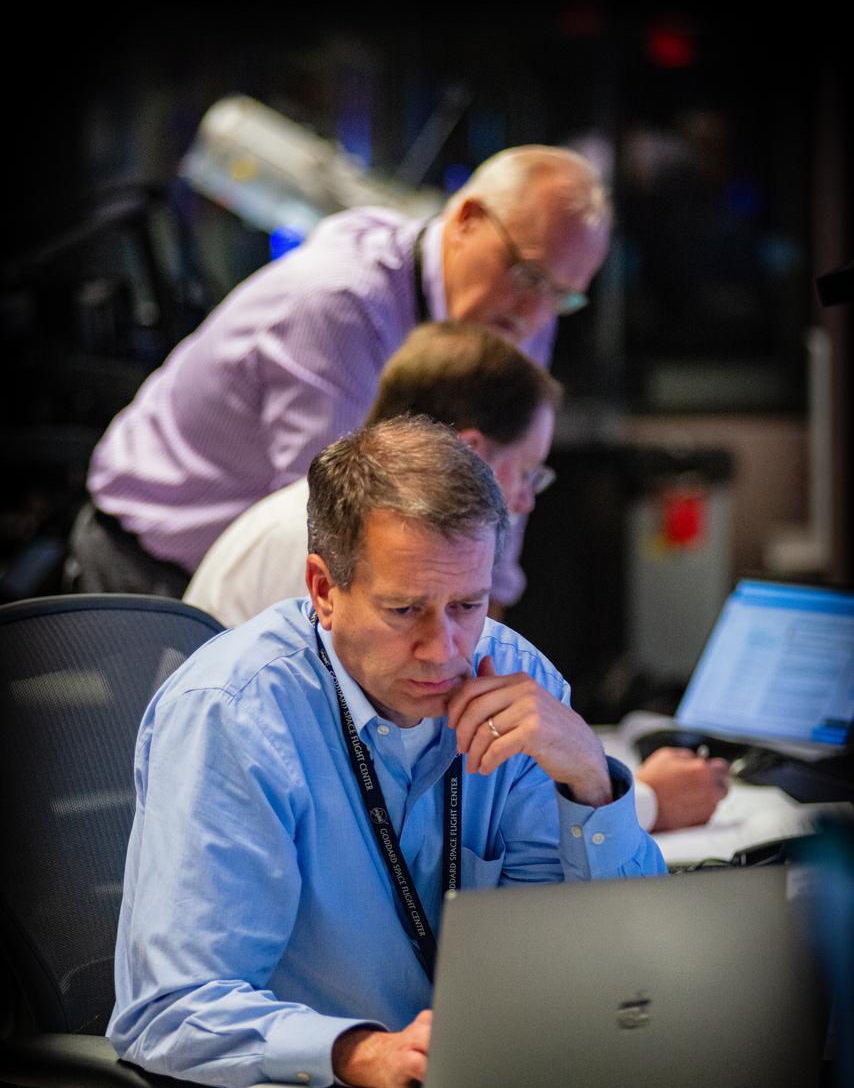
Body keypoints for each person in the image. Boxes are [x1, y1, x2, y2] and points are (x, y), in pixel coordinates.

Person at [108, 417, 666, 1088]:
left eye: (468, 603)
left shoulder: (520, 680)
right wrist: (364, 1054)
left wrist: (587, 778)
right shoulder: (232, 712)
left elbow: (621, 963)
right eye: (405, 610)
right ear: (322, 590)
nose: (444, 647)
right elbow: (172, 1011)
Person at [183, 321, 729, 835]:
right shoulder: (321, 543)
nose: (522, 498)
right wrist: (643, 801)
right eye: (527, 471)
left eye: (467, 605)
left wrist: (583, 765)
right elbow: (367, 822)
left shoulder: (375, 545)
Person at [67, 144, 611, 608]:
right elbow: (335, 530)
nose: (536, 313)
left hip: (297, 576)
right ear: (466, 218)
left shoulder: (515, 313)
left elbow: (504, 489)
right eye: (526, 275)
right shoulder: (337, 303)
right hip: (150, 566)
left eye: (563, 296)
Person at [184, 321, 562, 626]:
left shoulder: (340, 521)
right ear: (472, 452)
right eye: (527, 474)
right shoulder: (321, 533)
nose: (526, 501)